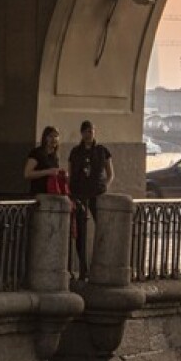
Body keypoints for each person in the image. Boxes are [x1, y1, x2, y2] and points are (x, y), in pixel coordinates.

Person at [69, 120, 114, 280]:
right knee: (80, 231)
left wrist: (105, 186)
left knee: (102, 227)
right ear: (82, 133)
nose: (89, 134)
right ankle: (83, 267)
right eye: (86, 131)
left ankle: (101, 264)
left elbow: (110, 172)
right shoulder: (75, 152)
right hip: (79, 193)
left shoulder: (102, 151)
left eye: (92, 131)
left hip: (96, 193)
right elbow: (71, 173)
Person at [24, 126, 66, 195]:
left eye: (56, 136)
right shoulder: (37, 153)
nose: (53, 139)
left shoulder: (54, 156)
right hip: (40, 193)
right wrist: (48, 172)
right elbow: (27, 174)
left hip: (52, 192)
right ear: (45, 138)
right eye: (50, 136)